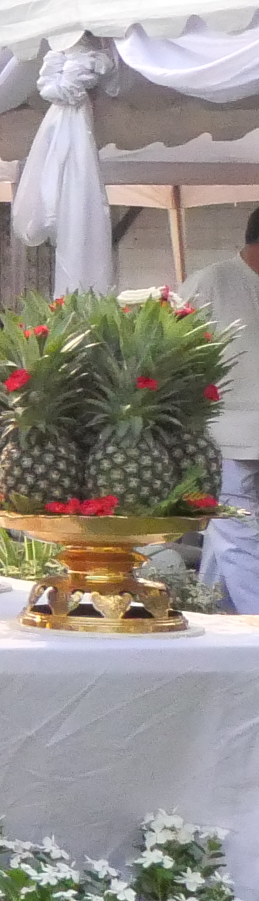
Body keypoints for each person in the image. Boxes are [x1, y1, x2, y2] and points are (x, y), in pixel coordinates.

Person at [196, 209, 259, 614]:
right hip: (227, 436)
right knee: (238, 536)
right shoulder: (211, 283)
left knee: (230, 538)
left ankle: (208, 610)